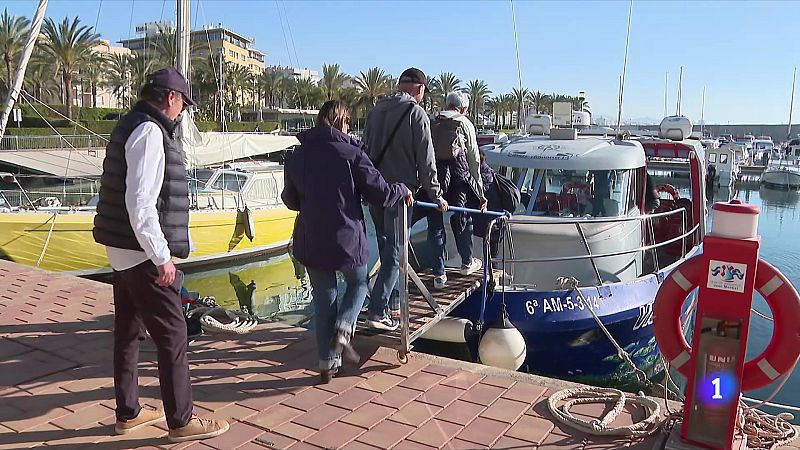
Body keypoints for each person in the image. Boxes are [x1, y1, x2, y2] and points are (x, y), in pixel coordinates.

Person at [92, 67, 229, 443]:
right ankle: (181, 421)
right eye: (183, 103)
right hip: (142, 254)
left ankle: (129, 412)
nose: (183, 111)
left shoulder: (130, 124)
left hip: (122, 252)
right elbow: (141, 204)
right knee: (173, 335)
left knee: (128, 334)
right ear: (170, 98)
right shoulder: (151, 132)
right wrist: (162, 256)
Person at [282, 101, 413, 383]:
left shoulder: (297, 156)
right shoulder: (352, 154)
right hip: (347, 239)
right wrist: (401, 189)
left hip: (311, 238)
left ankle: (327, 362)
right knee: (359, 284)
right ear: (341, 123)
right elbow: (381, 193)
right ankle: (345, 325)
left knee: (324, 298)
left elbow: (290, 200)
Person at [363, 67, 447, 331]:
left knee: (387, 247)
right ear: (419, 89)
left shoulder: (376, 110)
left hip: (375, 190)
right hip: (401, 196)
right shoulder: (416, 114)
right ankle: (377, 311)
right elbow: (426, 159)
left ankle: (393, 302)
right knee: (396, 251)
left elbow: (364, 149)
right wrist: (436, 195)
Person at [427, 91, 486, 288]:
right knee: (462, 217)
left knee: (434, 224)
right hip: (459, 177)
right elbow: (474, 159)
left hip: (435, 177)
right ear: (463, 109)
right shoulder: (464, 123)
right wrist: (480, 190)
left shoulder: (431, 120)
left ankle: (438, 274)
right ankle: (467, 262)